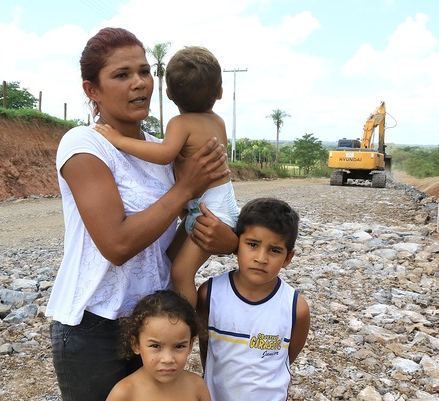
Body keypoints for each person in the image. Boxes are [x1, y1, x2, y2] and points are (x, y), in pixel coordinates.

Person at [45, 27, 238, 401]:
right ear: (91, 91)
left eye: (145, 71)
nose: (139, 84)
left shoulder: (164, 148)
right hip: (94, 326)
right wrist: (186, 188)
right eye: (122, 75)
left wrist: (225, 238)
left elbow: (173, 239)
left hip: (157, 329)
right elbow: (117, 245)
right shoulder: (84, 144)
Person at [95, 46, 239, 307]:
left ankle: (191, 327)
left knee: (180, 273)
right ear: (219, 92)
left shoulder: (180, 124)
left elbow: (164, 154)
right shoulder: (217, 121)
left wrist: (118, 140)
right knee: (169, 259)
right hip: (214, 208)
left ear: (169, 93)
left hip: (209, 213)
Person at [196, 197, 311, 401]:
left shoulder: (295, 308)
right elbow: (207, 347)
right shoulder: (210, 294)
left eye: (274, 250)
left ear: (288, 258)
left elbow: (286, 358)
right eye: (252, 244)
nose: (261, 258)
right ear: (236, 244)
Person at [106, 290, 211, 401]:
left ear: (190, 345)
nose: (168, 359)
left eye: (179, 346)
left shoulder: (197, 386)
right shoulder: (124, 393)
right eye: (155, 346)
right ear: (136, 344)